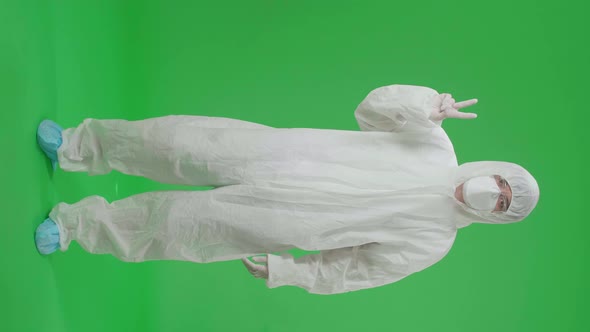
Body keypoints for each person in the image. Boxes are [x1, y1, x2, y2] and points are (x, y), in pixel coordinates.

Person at [35, 84, 539, 295]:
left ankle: (73, 227)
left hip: (283, 220)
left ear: (494, 217)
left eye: (499, 203)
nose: (488, 194)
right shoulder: (435, 144)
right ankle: (77, 146)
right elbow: (371, 110)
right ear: (492, 169)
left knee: (174, 228)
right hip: (278, 153)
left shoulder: (435, 241)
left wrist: (291, 271)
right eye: (498, 184)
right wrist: (423, 105)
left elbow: (358, 270)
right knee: (176, 142)